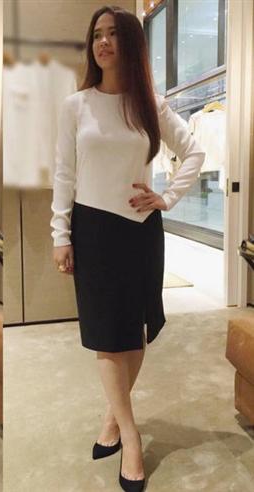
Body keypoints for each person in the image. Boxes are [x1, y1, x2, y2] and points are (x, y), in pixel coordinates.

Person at [50, 5, 205, 492]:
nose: (103, 42)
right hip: (93, 229)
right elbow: (64, 174)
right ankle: (131, 435)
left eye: (114, 34)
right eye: (97, 34)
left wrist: (168, 197)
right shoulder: (76, 106)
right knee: (107, 336)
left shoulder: (150, 105)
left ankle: (112, 418)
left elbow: (194, 151)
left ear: (132, 43)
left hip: (141, 229)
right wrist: (60, 234)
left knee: (135, 331)